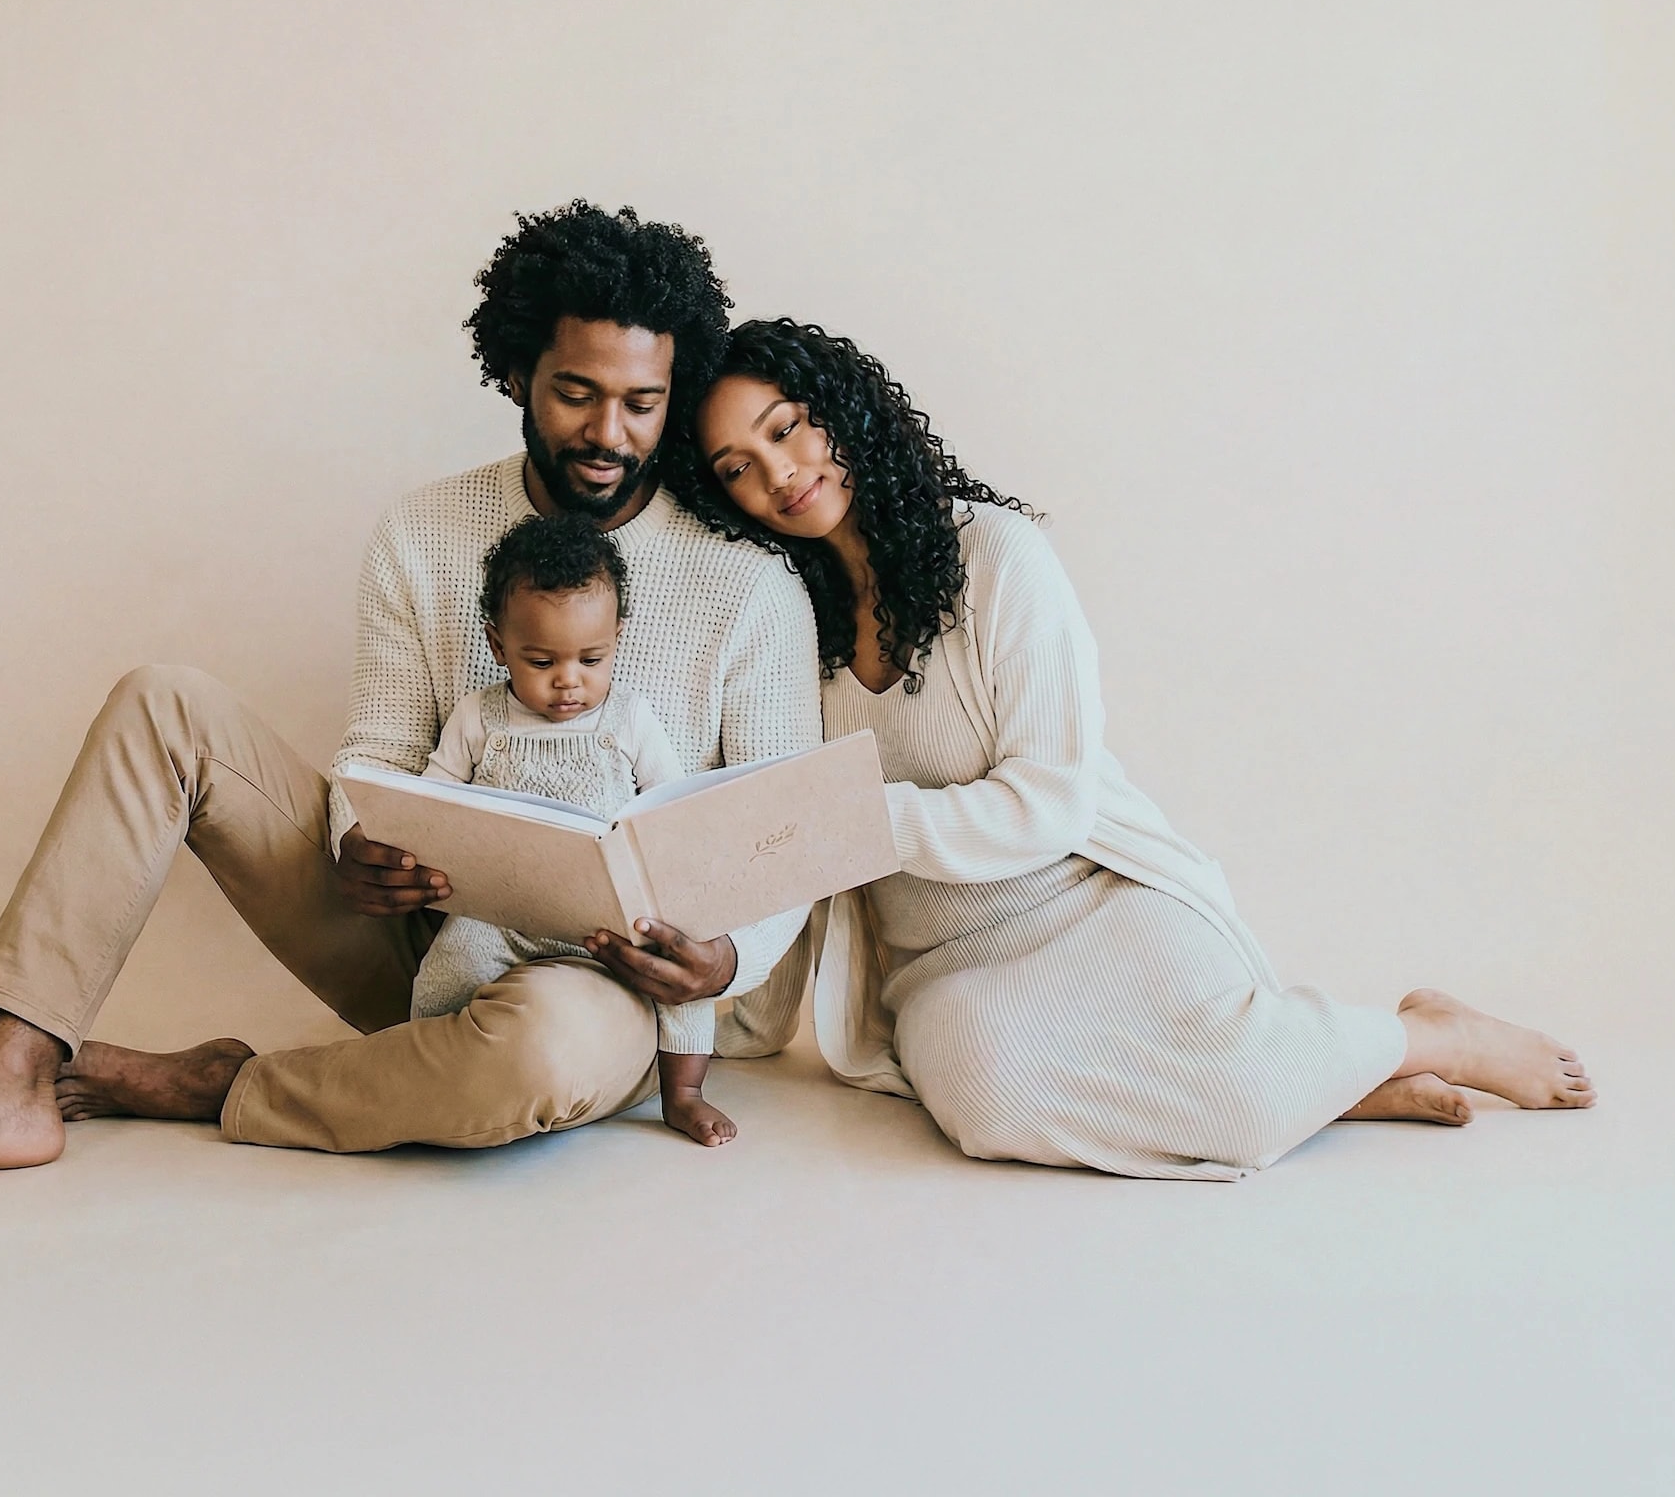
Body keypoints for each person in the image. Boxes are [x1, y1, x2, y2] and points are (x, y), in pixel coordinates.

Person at [0, 203, 817, 1205]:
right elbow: (377, 750)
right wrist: (358, 836)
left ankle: (216, 1083)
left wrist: (723, 957)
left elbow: (784, 838)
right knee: (162, 702)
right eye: (574, 393)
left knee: (538, 1056)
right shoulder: (423, 530)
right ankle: (6, 1077)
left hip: (604, 991)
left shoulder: (746, 580)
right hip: (427, 942)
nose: (608, 432)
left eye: (641, 402)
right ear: (516, 374)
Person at [673, 318, 1595, 1181]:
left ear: (843, 409)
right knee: (985, 1098)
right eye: (738, 468)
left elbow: (1049, 802)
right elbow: (790, 840)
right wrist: (723, 1008)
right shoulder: (788, 627)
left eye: (787, 428)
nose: (779, 474)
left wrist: (861, 820)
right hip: (947, 967)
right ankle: (1323, 1082)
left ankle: (1421, 1037)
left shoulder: (997, 556)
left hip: (1092, 898)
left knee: (1236, 1096)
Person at [406, 511, 739, 1146]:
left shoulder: (629, 718)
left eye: (592, 658)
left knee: (683, 974)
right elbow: (434, 796)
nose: (568, 680)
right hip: (501, 913)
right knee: (446, 967)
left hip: (610, 923)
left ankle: (685, 1092)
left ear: (618, 637)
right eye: (541, 660)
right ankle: (426, 1060)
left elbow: (672, 803)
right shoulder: (480, 717)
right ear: (498, 645)